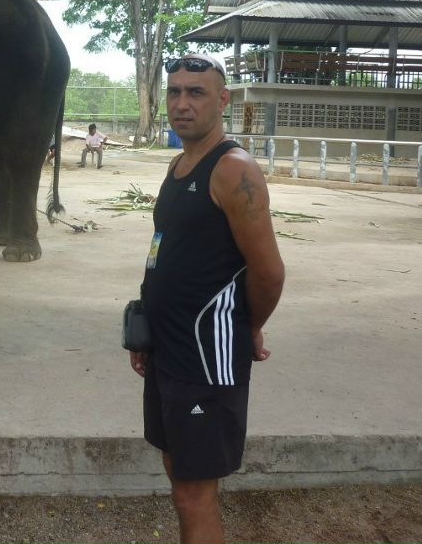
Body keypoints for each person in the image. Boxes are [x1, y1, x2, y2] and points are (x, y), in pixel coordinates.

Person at [131, 53, 285, 544]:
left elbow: (268, 272)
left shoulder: (233, 169)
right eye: (174, 92)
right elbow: (164, 250)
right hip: (168, 350)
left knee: (193, 494)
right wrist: (146, 328)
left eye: (196, 93)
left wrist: (249, 324)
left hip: (205, 358)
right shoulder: (179, 164)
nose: (182, 103)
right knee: (178, 472)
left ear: (222, 100)